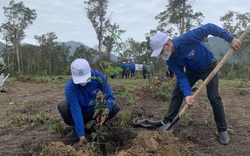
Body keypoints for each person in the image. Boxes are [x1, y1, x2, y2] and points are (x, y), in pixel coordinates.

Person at [149, 23, 242, 145]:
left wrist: (231, 39)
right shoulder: (170, 59)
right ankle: (168, 121)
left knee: (214, 97)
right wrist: (187, 94)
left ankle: (222, 130)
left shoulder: (187, 39)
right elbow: (181, 76)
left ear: (167, 45)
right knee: (178, 92)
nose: (161, 55)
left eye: (161, 51)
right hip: (191, 71)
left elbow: (210, 27)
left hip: (209, 66)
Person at [58, 58, 120, 143]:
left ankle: (95, 126)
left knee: (115, 106)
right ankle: (78, 129)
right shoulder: (70, 87)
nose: (83, 82)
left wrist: (105, 113)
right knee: (63, 106)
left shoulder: (98, 77)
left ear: (90, 70)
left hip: (93, 112)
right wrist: (82, 137)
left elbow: (110, 96)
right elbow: (75, 109)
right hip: (80, 112)